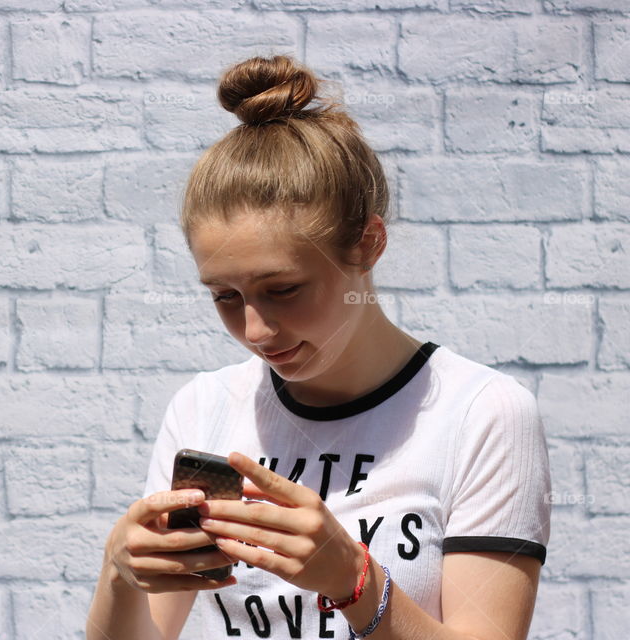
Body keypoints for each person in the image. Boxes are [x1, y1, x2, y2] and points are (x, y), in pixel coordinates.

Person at [86, 54, 551, 640]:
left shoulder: (481, 413)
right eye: (225, 296)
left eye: (283, 290)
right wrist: (119, 569)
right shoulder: (203, 407)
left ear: (367, 245)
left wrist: (353, 580)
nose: (255, 331)